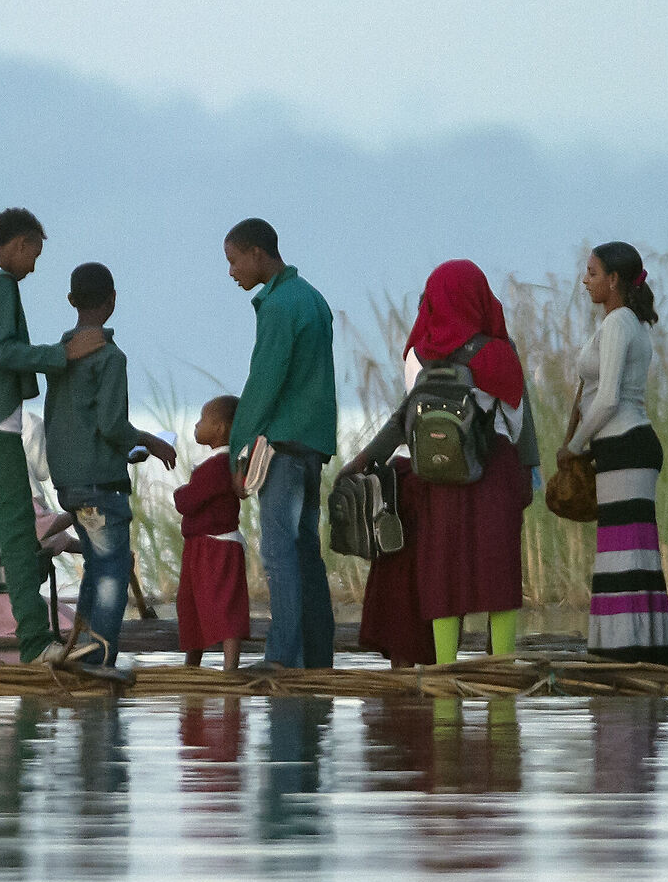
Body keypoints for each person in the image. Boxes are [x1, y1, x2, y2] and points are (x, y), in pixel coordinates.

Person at [340, 260, 539, 664]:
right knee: (497, 574)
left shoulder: (417, 354)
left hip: (436, 471)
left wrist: (365, 457)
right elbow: (516, 422)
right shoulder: (499, 352)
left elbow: (409, 416)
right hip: (493, 468)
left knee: (443, 573)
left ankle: (445, 672)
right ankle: (501, 669)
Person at [0, 208, 106, 666]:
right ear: (17, 244)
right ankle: (36, 644)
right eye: (33, 253)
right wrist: (62, 353)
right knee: (17, 535)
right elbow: (2, 351)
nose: (33, 266)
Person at [42, 261, 176, 673]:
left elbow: (79, 423)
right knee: (113, 571)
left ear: (70, 301)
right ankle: (99, 657)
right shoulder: (111, 358)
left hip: (71, 485)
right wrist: (148, 441)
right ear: (113, 300)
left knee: (95, 570)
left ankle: (81, 649)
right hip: (101, 486)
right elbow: (112, 425)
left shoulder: (60, 357)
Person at [223, 217, 339, 670]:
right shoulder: (312, 298)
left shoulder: (279, 304)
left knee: (279, 552)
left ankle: (283, 658)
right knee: (306, 550)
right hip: (312, 444)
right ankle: (317, 656)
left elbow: (264, 384)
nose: (232, 272)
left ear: (257, 253)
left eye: (234, 261)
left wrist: (238, 449)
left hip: (284, 448)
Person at [560, 241, 668, 665]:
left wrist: (572, 448)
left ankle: (629, 653)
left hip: (627, 445)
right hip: (620, 447)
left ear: (613, 280)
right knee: (623, 550)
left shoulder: (620, 323)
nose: (584, 280)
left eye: (591, 273)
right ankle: (631, 649)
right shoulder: (620, 322)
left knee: (626, 552)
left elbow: (607, 399)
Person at [173, 394, 251, 672]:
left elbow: (189, 501)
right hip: (202, 545)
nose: (196, 425)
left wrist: (179, 492)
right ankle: (193, 663)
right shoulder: (223, 464)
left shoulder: (217, 466)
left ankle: (229, 668)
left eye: (202, 420)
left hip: (214, 546)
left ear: (219, 429)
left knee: (222, 603)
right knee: (193, 604)